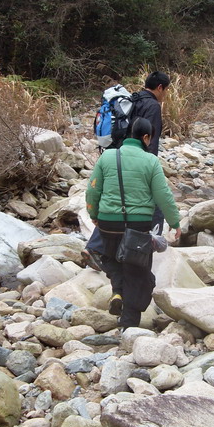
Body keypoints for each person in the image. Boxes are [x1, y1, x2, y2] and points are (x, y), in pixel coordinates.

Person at [85, 117, 181, 328]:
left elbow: (93, 189)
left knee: (110, 257)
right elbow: (163, 196)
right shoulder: (151, 161)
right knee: (137, 271)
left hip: (108, 222)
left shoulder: (108, 156)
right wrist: (175, 222)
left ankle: (118, 291)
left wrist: (93, 213)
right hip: (138, 226)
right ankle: (128, 326)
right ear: (146, 138)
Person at [83, 71, 171, 270]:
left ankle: (97, 248)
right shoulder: (153, 106)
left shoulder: (133, 98)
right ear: (160, 88)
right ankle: (147, 244)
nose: (165, 94)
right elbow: (151, 139)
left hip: (117, 157)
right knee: (150, 201)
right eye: (165, 90)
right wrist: (150, 166)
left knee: (116, 201)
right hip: (136, 160)